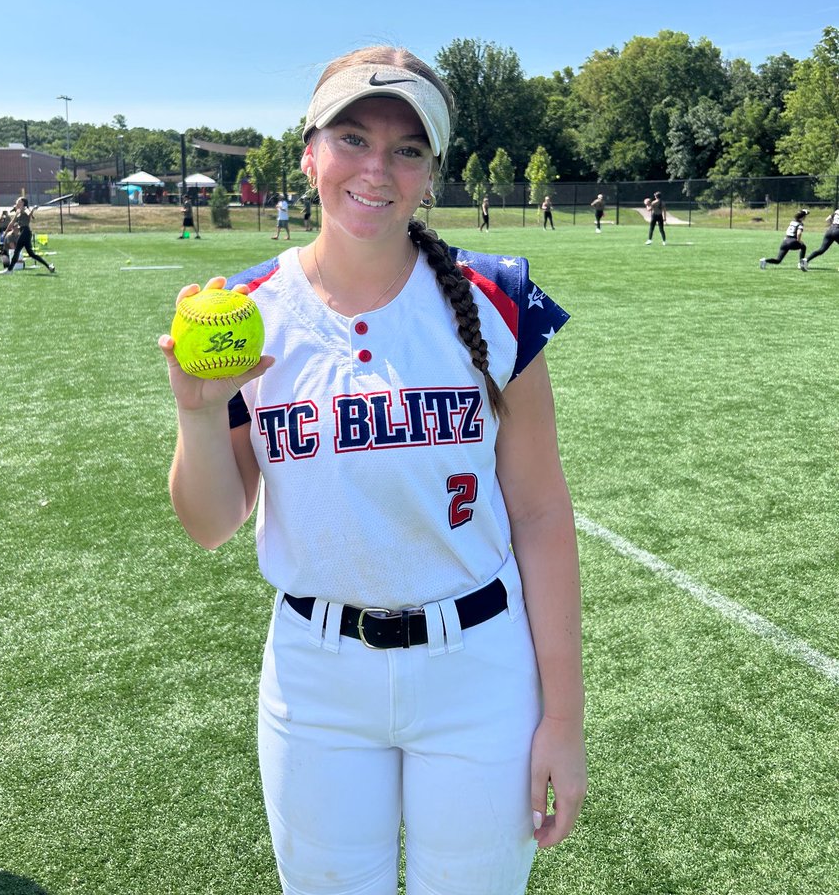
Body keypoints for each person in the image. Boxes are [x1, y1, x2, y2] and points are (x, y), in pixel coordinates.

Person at [159, 46, 587, 895]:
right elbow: (211, 524)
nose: (376, 169)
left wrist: (564, 718)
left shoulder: (498, 300)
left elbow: (540, 514)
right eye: (352, 138)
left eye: (407, 148)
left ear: (432, 171)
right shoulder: (247, 313)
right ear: (309, 152)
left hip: (480, 670)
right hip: (317, 679)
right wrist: (199, 414)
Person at [1, 198, 55, 273]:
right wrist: (5, 233)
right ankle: (49, 266)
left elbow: (29, 214)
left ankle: (9, 270)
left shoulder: (26, 209)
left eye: (18, 201)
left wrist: (33, 209)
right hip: (23, 232)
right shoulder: (18, 211)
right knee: (31, 254)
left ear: (22, 202)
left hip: (25, 232)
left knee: (17, 251)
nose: (17, 201)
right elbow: (12, 223)